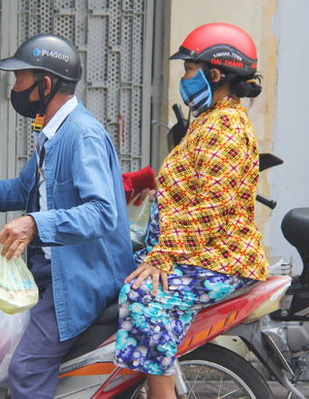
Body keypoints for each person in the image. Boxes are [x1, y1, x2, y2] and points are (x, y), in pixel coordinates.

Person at [0, 34, 135, 398]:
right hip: (47, 269)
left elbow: (103, 212)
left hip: (81, 276)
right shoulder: (52, 135)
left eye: (20, 79)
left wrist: (35, 223)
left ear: (45, 84)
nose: (14, 88)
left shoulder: (82, 135)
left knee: (25, 368)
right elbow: (20, 190)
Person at [113, 23, 270, 399]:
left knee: (145, 297)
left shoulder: (227, 127)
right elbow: (195, 183)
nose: (183, 78)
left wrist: (162, 257)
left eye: (188, 69)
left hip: (218, 258)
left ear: (214, 74)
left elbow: (211, 210)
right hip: (196, 249)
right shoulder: (210, 119)